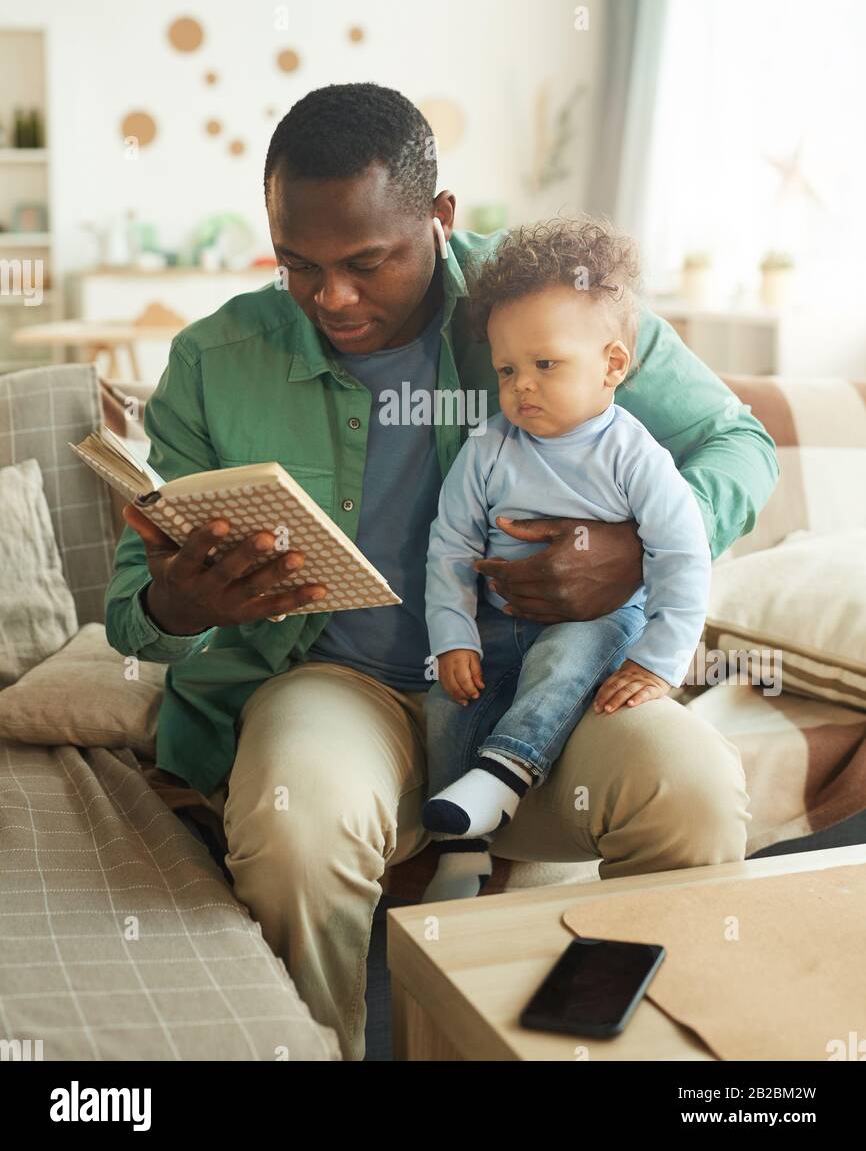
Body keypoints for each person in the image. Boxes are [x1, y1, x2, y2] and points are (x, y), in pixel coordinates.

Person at [105, 83, 776, 1061]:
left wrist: (630, 550)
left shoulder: (553, 306)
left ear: (440, 217)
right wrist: (182, 598)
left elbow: (734, 439)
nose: (332, 297)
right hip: (332, 683)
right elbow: (134, 613)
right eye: (299, 265)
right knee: (298, 829)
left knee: (693, 790)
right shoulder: (216, 358)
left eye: (367, 262)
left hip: (537, 680)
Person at [422, 217, 712, 901]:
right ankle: (460, 852)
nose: (522, 386)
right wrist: (455, 638)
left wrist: (657, 661)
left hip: (596, 621)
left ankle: (503, 776)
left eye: (545, 365)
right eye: (507, 370)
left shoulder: (632, 456)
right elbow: (451, 546)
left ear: (613, 365)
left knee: (563, 660)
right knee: (445, 704)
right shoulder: (489, 448)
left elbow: (682, 555)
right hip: (495, 623)